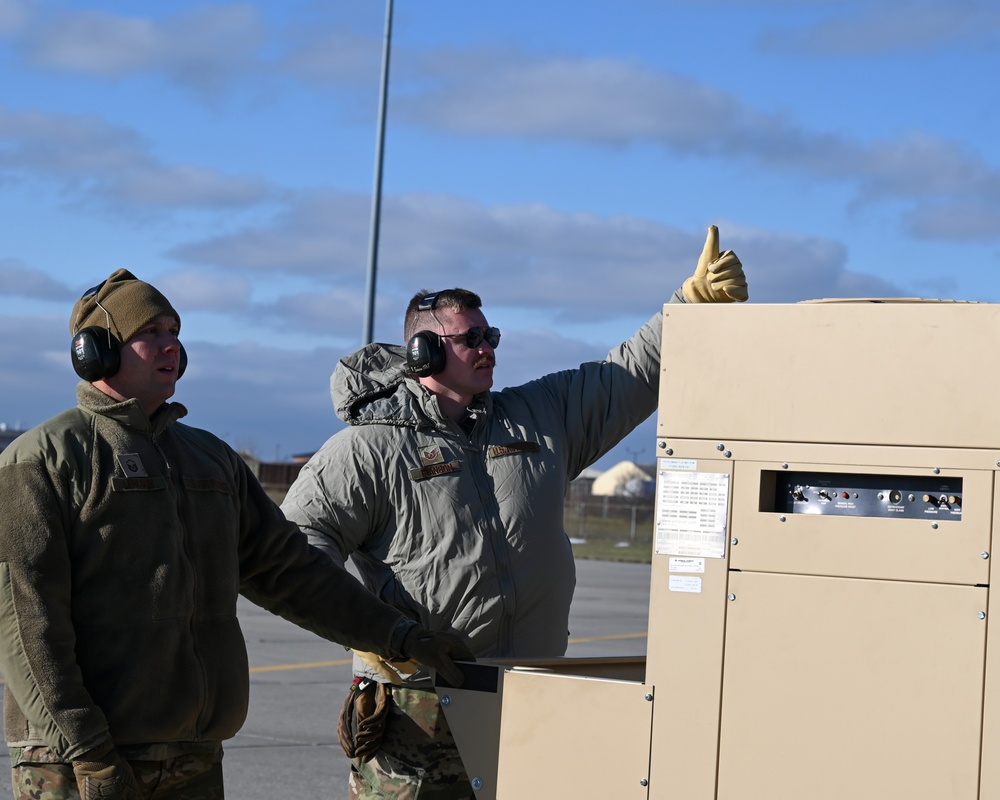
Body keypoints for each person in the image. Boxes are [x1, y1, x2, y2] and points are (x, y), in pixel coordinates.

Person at [280, 225, 748, 798]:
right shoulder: (369, 450)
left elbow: (625, 377)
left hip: (532, 693)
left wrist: (690, 306)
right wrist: (380, 632)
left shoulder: (538, 418)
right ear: (422, 352)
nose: (487, 347)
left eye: (491, 333)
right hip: (419, 705)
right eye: (469, 337)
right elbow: (296, 552)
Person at [0, 268, 473, 800]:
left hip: (192, 752)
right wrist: (86, 752)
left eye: (174, 330)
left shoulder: (210, 459)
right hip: (78, 761)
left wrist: (402, 637)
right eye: (148, 332)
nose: (170, 344)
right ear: (96, 353)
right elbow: (27, 626)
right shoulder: (42, 461)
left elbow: (292, 572)